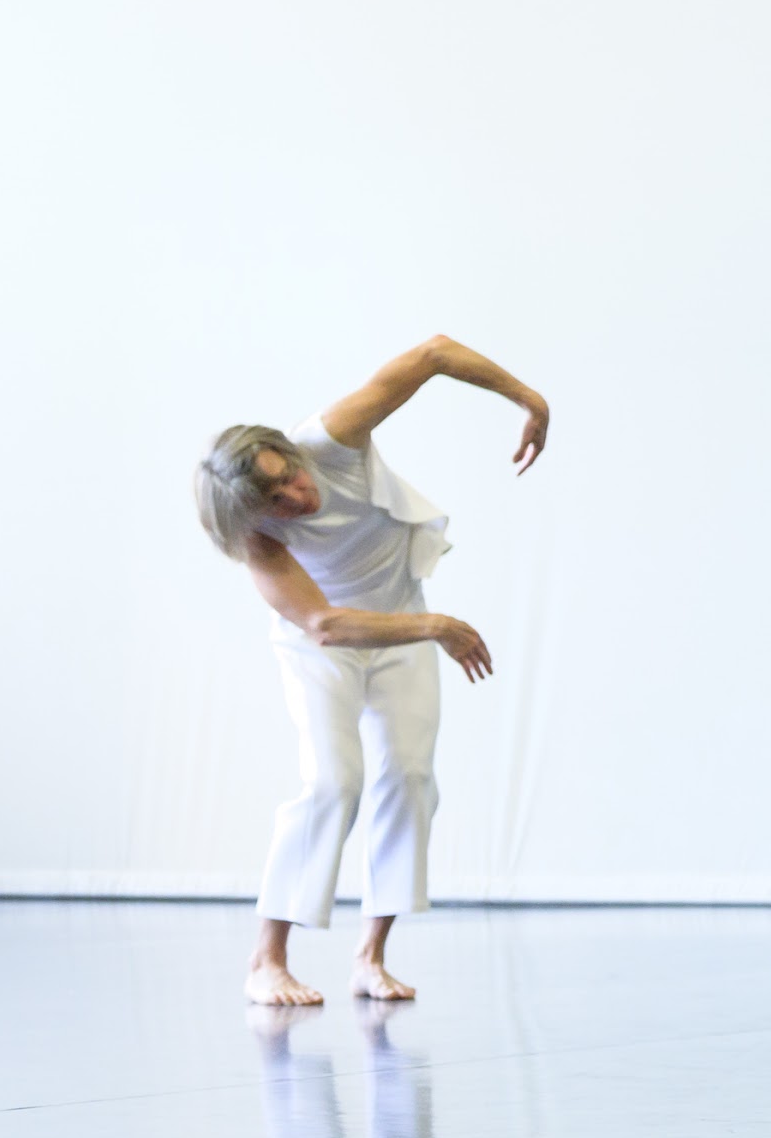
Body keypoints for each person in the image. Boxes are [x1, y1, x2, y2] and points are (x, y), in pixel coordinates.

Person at [194, 337, 550, 1007]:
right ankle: (266, 961)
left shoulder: (332, 438)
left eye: (288, 474)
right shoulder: (256, 537)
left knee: (410, 777)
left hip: (401, 623)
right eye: (273, 497)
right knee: (334, 781)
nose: (295, 494)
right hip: (324, 646)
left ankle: (369, 956)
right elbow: (325, 624)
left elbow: (435, 354)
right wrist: (435, 626)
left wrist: (529, 399)